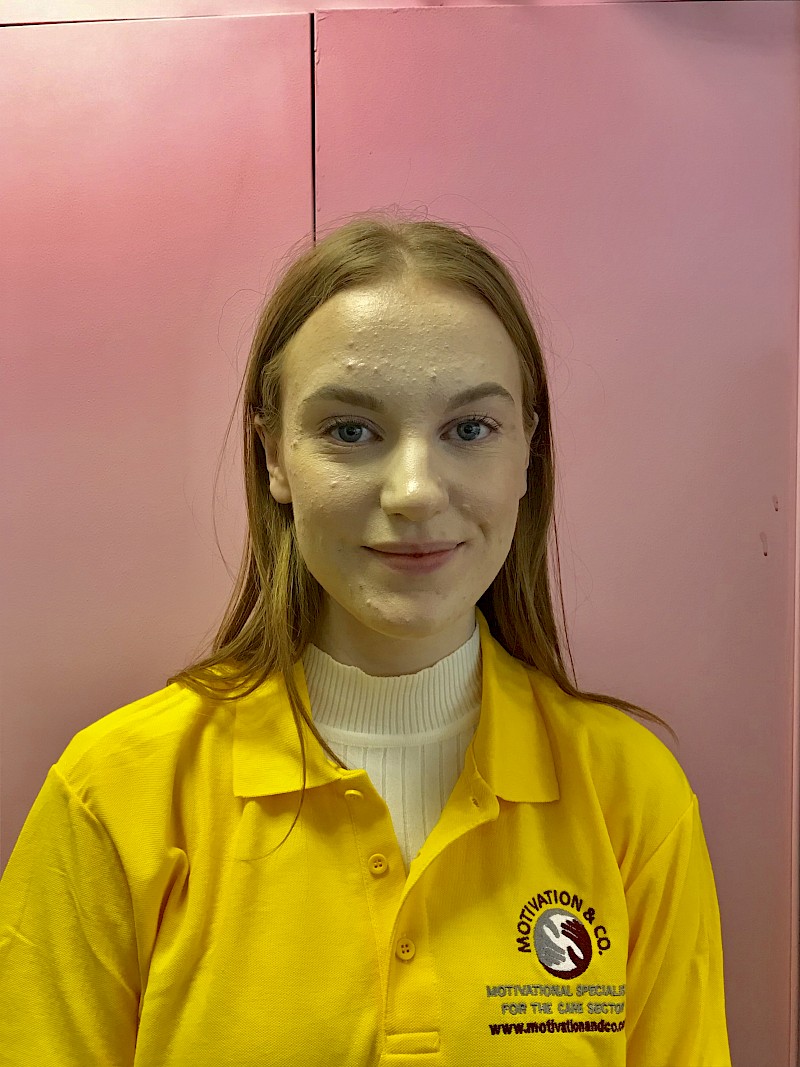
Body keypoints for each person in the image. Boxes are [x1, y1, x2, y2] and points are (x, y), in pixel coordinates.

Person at [0, 212, 731, 1065]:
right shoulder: (115, 795)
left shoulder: (631, 796)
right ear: (275, 456)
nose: (415, 490)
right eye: (351, 430)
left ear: (527, 452)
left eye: (469, 429)